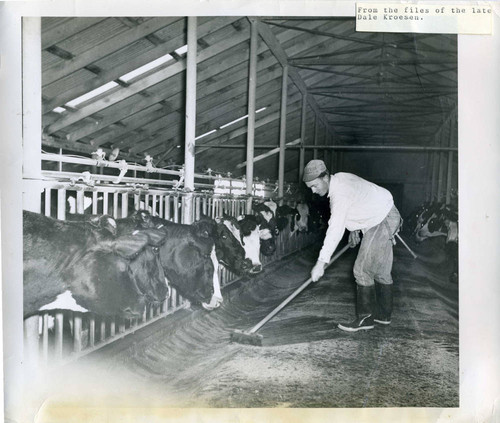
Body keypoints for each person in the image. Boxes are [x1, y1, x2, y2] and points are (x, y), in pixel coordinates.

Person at [302, 160, 402, 332]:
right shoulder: (340, 178)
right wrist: (354, 229)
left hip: (381, 220)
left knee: (362, 270)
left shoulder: (339, 194)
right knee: (381, 271)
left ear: (325, 177)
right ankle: (383, 316)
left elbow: (335, 229)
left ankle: (366, 319)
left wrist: (321, 263)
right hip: (385, 213)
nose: (313, 190)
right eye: (310, 187)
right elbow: (360, 202)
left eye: (314, 185)